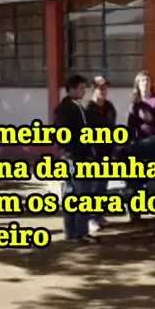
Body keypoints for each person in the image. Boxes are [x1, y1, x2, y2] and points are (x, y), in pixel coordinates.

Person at [55, 74, 97, 244]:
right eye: (81, 88)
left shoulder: (61, 108)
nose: (84, 91)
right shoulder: (75, 107)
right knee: (82, 194)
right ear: (72, 89)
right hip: (78, 157)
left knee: (70, 194)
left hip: (67, 156)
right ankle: (80, 233)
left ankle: (70, 232)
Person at [126, 70, 155, 220]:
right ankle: (134, 207)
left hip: (154, 141)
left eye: (147, 80)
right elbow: (130, 127)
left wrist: (152, 120)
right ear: (137, 84)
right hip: (139, 142)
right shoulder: (134, 104)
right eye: (142, 81)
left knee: (137, 152)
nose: (145, 83)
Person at [85, 76, 117, 232]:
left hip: (106, 152)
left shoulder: (109, 107)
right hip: (92, 153)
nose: (104, 91)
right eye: (100, 88)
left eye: (105, 88)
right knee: (92, 186)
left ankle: (99, 215)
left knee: (102, 186)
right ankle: (91, 218)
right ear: (94, 89)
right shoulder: (87, 109)